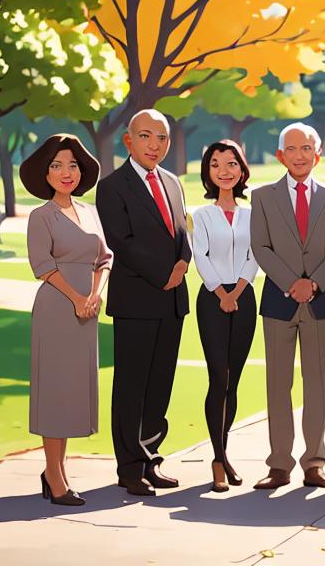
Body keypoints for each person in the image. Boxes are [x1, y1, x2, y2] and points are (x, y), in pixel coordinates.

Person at [96, 109, 191, 497]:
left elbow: (182, 228)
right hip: (137, 299)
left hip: (172, 301)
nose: (156, 145)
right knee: (132, 385)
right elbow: (121, 241)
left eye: (163, 137)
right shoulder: (112, 186)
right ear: (129, 141)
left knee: (160, 385)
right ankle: (130, 466)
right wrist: (163, 273)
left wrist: (183, 261)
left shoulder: (172, 182)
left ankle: (151, 458)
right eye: (147, 136)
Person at [250, 123, 325, 490]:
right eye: (292, 149)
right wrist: (292, 283)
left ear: (318, 155)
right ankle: (279, 464)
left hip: (321, 302)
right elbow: (261, 248)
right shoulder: (263, 197)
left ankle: (315, 462)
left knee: (316, 383)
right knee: (277, 384)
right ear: (280, 155)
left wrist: (315, 282)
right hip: (279, 301)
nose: (300, 155)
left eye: (307, 148)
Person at [20, 134, 110, 506]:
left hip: (86, 311)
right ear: (45, 172)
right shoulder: (40, 216)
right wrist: (76, 298)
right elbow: (42, 266)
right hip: (57, 309)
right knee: (55, 390)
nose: (66, 172)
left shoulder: (89, 212)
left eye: (72, 164)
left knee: (73, 390)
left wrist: (95, 294)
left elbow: (105, 257)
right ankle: (55, 476)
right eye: (56, 165)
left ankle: (56, 470)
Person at [191, 140, 259, 493]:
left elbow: (255, 254)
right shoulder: (201, 215)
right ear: (208, 172)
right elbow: (199, 256)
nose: (224, 170)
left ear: (242, 170)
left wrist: (238, 291)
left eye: (231, 163)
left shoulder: (252, 214)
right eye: (216, 164)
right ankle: (217, 460)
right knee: (218, 376)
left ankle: (225, 451)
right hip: (212, 301)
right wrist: (221, 293)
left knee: (234, 379)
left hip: (245, 298)